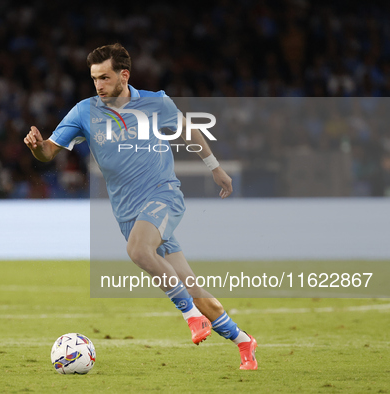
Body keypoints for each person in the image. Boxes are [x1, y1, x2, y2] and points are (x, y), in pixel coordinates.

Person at [24, 43, 258, 370]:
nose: (99, 85)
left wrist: (215, 167)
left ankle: (191, 317)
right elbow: (49, 151)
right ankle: (243, 341)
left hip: (164, 196)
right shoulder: (84, 112)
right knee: (195, 288)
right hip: (128, 214)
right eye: (94, 79)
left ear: (124, 75)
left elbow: (189, 130)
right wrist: (37, 147)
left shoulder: (156, 102)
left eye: (105, 78)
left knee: (137, 251)